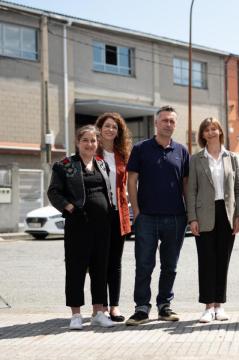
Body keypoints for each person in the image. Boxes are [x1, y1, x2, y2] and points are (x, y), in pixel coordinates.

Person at [125, 105, 190, 326]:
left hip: (175, 218)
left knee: (170, 265)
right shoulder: (141, 148)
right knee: (144, 264)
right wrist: (137, 211)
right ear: (156, 123)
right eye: (164, 120)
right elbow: (131, 180)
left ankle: (165, 306)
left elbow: (186, 183)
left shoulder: (181, 151)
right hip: (147, 218)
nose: (168, 124)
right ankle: (141, 308)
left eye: (172, 121)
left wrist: (189, 213)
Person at [47, 125, 115, 330]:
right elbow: (54, 192)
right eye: (85, 140)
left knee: (100, 270)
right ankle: (76, 315)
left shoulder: (102, 164)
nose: (90, 144)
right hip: (78, 226)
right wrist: (69, 207)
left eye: (93, 140)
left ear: (98, 143)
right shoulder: (66, 165)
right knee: (75, 269)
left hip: (102, 226)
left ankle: (99, 312)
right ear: (78, 142)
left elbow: (107, 191)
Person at [187, 118, 239, 323]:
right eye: (207, 130)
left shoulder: (232, 157)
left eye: (214, 129)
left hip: (227, 214)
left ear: (220, 131)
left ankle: (219, 305)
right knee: (206, 260)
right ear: (202, 135)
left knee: (222, 260)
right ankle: (207, 306)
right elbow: (191, 191)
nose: (211, 132)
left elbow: (238, 189)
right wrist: (192, 218)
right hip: (204, 215)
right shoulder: (196, 159)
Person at [95, 112, 132, 323]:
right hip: (99, 215)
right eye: (107, 126)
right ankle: (100, 307)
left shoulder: (122, 154)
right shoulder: (92, 152)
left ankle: (115, 307)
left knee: (115, 262)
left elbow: (126, 184)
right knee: (100, 261)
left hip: (119, 213)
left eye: (114, 127)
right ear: (100, 129)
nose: (110, 130)